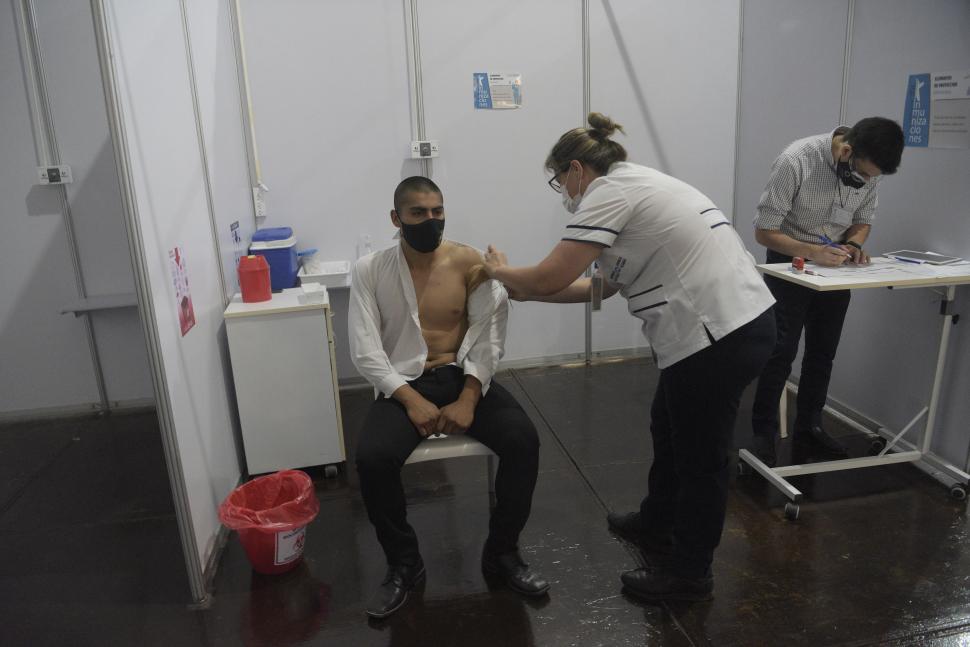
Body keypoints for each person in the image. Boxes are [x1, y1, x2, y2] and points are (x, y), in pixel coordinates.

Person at [482, 113, 776, 603]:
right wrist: (527, 292)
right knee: (667, 423)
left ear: (577, 169)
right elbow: (603, 286)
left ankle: (689, 574)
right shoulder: (643, 186)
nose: (563, 192)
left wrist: (502, 272)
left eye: (559, 180)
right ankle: (656, 521)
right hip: (734, 326)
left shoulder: (608, 193)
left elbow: (552, 273)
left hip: (718, 335)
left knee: (702, 457)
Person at [349, 176, 549, 620]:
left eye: (438, 211)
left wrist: (470, 398)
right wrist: (408, 398)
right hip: (404, 381)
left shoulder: (470, 263)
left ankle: (503, 551)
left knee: (523, 441)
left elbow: (490, 337)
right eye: (418, 213)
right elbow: (365, 350)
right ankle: (404, 563)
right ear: (395, 218)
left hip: (463, 376)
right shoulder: (370, 271)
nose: (430, 221)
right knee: (372, 459)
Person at [749, 118, 904, 467]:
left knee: (823, 351)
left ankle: (810, 426)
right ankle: (763, 431)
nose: (866, 181)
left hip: (834, 268)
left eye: (873, 177)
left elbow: (863, 220)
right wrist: (811, 251)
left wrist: (852, 244)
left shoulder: (869, 168)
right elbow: (764, 231)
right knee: (781, 351)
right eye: (863, 174)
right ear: (847, 150)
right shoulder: (797, 160)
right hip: (790, 264)